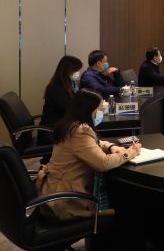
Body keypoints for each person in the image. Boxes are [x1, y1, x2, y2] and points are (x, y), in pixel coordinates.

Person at [35, 90, 142, 221]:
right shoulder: (80, 131)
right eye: (100, 109)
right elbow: (103, 163)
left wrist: (110, 147)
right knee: (124, 203)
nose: (101, 113)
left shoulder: (70, 125)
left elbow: (92, 143)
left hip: (54, 190)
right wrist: (131, 152)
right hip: (65, 201)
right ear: (88, 110)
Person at [40, 55, 84, 149]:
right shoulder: (56, 88)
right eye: (76, 70)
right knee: (85, 139)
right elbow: (69, 108)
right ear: (68, 70)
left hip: (62, 126)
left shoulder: (68, 84)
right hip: (53, 131)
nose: (78, 73)